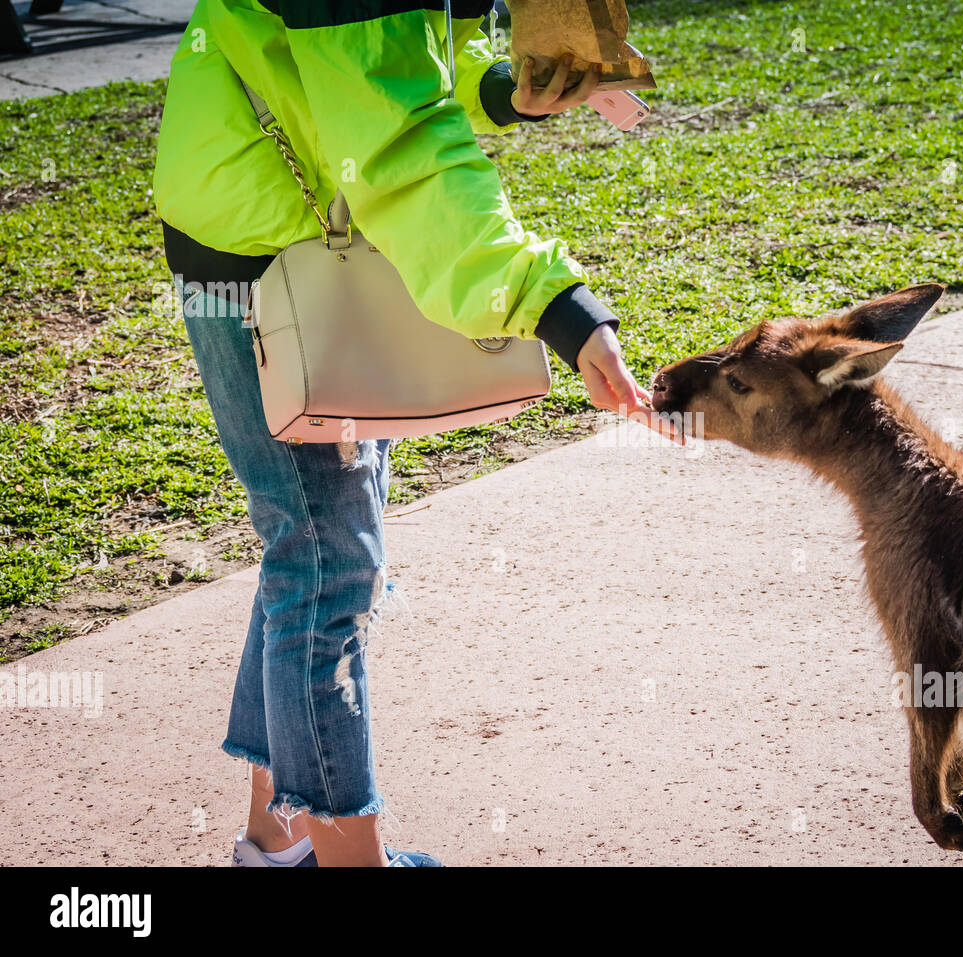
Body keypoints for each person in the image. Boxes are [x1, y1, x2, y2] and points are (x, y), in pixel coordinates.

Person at [152, 0, 672, 867]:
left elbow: (403, 69)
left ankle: (277, 841)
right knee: (325, 567)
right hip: (276, 258)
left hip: (273, 228)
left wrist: (500, 91)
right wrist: (560, 309)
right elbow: (403, 151)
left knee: (310, 551)